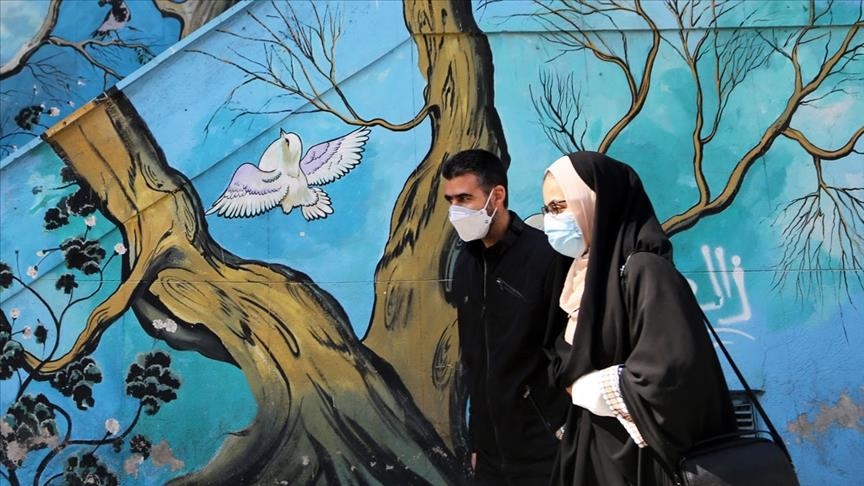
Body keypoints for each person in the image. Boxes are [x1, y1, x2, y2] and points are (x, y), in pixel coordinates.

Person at [540, 152, 738, 486]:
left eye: (560, 207)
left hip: (642, 463)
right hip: (594, 453)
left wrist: (590, 389)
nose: (551, 220)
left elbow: (672, 375)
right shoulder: (579, 277)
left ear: (597, 203)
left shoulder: (645, 271)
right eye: (547, 209)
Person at [442, 149, 571, 485]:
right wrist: (476, 441)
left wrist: (561, 429)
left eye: (465, 198)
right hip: (489, 454)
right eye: (450, 200)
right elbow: (474, 359)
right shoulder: (466, 263)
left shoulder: (547, 256)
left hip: (545, 449)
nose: (456, 210)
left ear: (496, 195)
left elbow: (568, 348)